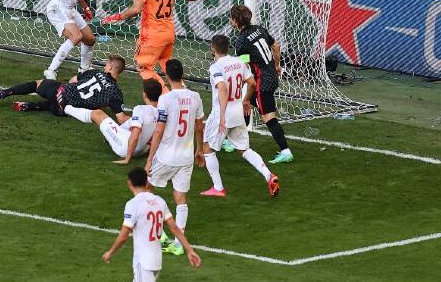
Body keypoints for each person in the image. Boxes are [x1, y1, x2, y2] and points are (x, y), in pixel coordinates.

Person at [102, 0, 217, 91]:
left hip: (152, 35)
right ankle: (183, 92)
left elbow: (136, 9)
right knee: (166, 63)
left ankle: (165, 97)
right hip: (168, 33)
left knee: (143, 67)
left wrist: (115, 17)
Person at [200, 35, 280, 198]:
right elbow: (252, 82)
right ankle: (268, 175)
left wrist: (221, 115)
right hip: (237, 111)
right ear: (228, 47)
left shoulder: (216, 67)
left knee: (207, 149)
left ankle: (218, 188)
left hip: (222, 113)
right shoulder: (238, 62)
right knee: (244, 149)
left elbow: (221, 88)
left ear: (213, 49)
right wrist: (246, 101)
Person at [145, 59, 204, 257]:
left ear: (167, 77)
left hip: (166, 156)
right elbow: (199, 126)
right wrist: (199, 150)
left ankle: (160, 235)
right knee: (180, 199)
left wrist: (149, 158)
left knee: (145, 190)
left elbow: (159, 130)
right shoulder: (195, 97)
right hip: (186, 157)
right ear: (183, 75)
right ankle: (179, 243)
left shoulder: (166, 99)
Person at [229, 5, 293, 164]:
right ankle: (237, 142)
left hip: (261, 82)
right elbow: (276, 46)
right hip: (271, 76)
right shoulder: (260, 29)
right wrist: (277, 65)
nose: (230, 21)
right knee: (247, 103)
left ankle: (285, 151)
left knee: (268, 117)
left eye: (231, 18)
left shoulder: (241, 41)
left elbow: (245, 69)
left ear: (235, 21)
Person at [0, 55, 127, 121]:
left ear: (111, 67)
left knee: (37, 84)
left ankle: (4, 93)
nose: (105, 65)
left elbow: (73, 80)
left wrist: (69, 88)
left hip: (62, 92)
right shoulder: (115, 92)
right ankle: (31, 106)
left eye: (107, 64)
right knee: (60, 105)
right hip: (65, 111)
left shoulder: (95, 72)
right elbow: (120, 118)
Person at [64, 78, 161, 164]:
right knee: (133, 121)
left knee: (98, 114)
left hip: (125, 148)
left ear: (144, 94)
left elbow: (135, 136)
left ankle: (65, 107)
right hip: (143, 150)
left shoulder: (140, 109)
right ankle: (112, 136)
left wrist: (127, 159)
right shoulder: (163, 112)